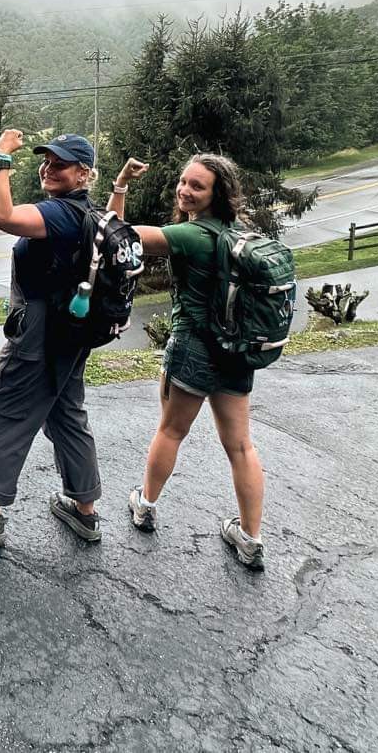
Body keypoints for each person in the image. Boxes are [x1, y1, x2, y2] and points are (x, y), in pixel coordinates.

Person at [0, 130, 104, 547]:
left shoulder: (63, 214)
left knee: (7, 411)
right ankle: (85, 509)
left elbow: (0, 214)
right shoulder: (88, 211)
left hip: (39, 334)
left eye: (59, 163)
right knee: (66, 413)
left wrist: (0, 157)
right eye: (46, 160)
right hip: (71, 331)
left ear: (84, 174)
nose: (48, 168)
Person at [113, 152, 268, 570]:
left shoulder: (190, 235)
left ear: (217, 195)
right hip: (237, 352)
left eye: (197, 186)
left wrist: (122, 184)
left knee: (171, 431)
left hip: (195, 349)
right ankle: (250, 538)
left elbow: (118, 234)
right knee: (240, 446)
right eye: (184, 181)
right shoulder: (239, 237)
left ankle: (145, 506)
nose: (185, 190)